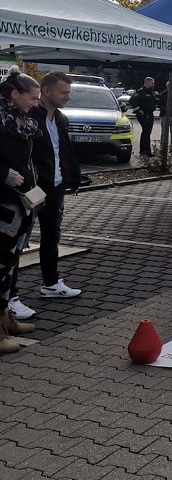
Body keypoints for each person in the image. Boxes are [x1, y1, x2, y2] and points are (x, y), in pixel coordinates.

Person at [8, 72, 84, 321]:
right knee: (18, 242)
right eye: (63, 92)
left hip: (56, 186)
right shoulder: (28, 117)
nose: (67, 97)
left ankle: (51, 284)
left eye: (68, 93)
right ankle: (11, 297)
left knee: (52, 237)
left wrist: (71, 176)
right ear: (46, 92)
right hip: (32, 189)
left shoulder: (60, 119)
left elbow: (63, 150)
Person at [0, 67, 41, 353]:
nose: (36, 103)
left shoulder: (20, 121)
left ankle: (5, 318)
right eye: (33, 98)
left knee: (10, 265)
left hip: (20, 202)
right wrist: (4, 173)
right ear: (15, 95)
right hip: (3, 201)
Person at [130, 77, 158, 156]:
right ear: (147, 82)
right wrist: (139, 110)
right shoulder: (141, 91)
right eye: (152, 83)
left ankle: (146, 150)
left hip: (150, 114)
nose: (153, 84)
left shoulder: (151, 92)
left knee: (147, 132)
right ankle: (145, 151)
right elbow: (132, 101)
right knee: (146, 131)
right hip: (144, 114)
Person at [158, 80, 172, 150]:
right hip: (164, 116)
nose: (170, 87)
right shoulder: (162, 94)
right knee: (163, 132)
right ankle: (162, 147)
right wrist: (164, 109)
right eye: (169, 86)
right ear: (166, 86)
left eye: (171, 86)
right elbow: (159, 104)